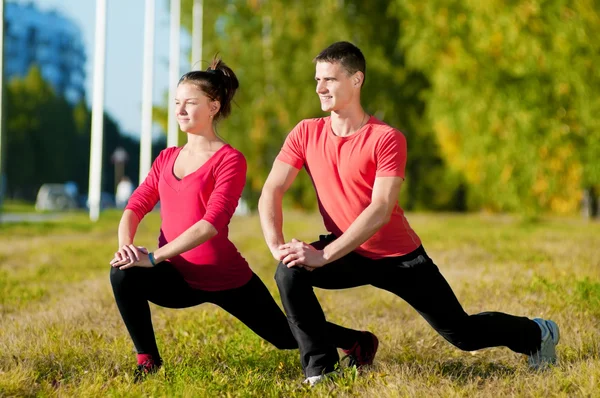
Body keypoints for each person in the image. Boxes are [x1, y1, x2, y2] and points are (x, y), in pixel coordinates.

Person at [258, 41, 560, 385]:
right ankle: (322, 371)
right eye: (317, 79)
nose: (319, 88)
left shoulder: (385, 138)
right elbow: (272, 190)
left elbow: (381, 209)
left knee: (462, 334)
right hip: (346, 249)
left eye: (329, 79)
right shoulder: (306, 132)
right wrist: (277, 248)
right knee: (289, 273)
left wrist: (324, 254)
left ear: (356, 80)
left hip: (398, 258)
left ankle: (537, 334)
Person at [109, 56, 367, 380]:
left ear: (214, 106)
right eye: (177, 103)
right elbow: (135, 206)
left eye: (191, 103)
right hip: (176, 275)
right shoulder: (166, 158)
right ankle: (147, 360)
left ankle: (355, 341)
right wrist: (126, 249)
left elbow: (210, 223)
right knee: (122, 273)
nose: (181, 110)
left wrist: (152, 256)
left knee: (285, 337)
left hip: (224, 278)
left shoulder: (230, 160)